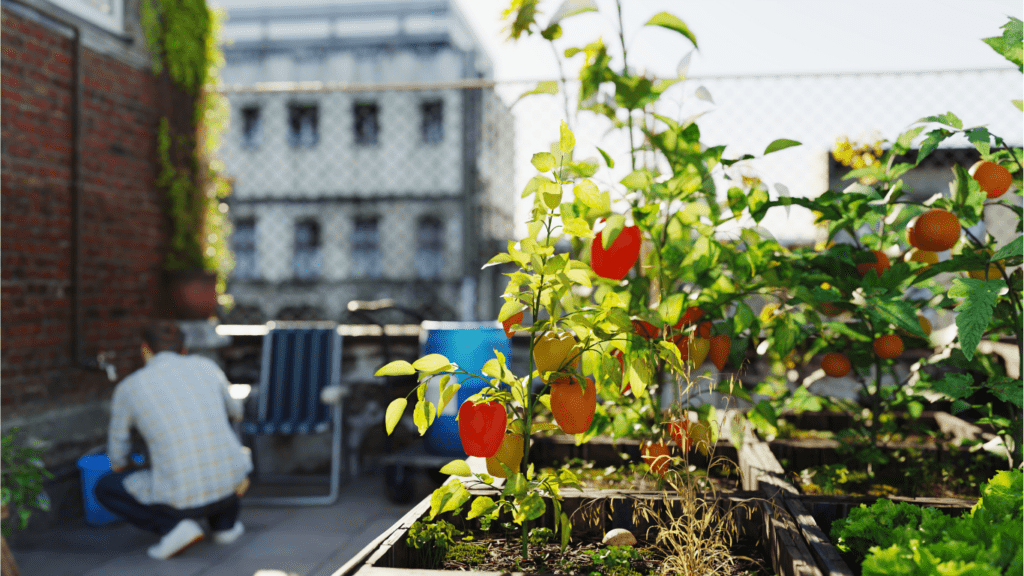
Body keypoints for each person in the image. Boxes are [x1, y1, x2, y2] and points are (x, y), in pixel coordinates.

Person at [94, 320, 253, 560]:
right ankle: (225, 527)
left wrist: (125, 466)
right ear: (184, 350)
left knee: (106, 486)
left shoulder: (129, 387)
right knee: (222, 459)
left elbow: (117, 454)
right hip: (232, 484)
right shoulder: (207, 367)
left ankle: (172, 528)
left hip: (180, 499)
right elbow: (236, 412)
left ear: (145, 350)